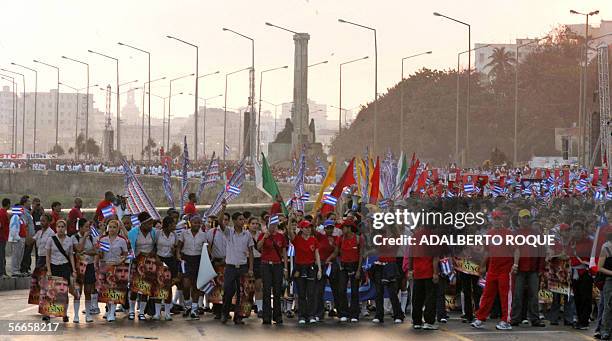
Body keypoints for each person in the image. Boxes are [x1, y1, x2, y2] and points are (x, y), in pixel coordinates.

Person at [471, 210, 516, 330]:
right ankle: (480, 318)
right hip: (492, 269)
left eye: (498, 219)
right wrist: (483, 265)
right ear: (492, 220)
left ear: (502, 220)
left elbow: (516, 249)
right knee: (487, 294)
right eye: (495, 219)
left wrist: (515, 264)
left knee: (505, 295)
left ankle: (506, 321)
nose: (496, 221)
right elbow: (487, 251)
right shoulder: (489, 234)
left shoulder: (509, 233)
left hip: (505, 269)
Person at [511, 211, 546, 327]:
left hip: (533, 269)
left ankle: (535, 319)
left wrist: (541, 268)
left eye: (527, 218)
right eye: (523, 218)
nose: (525, 220)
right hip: (519, 269)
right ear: (519, 220)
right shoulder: (514, 234)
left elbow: (542, 252)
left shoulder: (537, 234)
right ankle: (515, 318)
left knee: (534, 295)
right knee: (517, 295)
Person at [221, 211, 254, 325]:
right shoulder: (229, 232)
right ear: (234, 221)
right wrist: (223, 208)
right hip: (230, 267)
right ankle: (225, 314)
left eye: (243, 219)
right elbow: (221, 223)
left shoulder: (247, 234)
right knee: (228, 291)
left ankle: (238, 316)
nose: (242, 221)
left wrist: (250, 268)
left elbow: (250, 252)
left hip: (242, 267)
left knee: (242, 293)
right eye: (240, 219)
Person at [287, 218, 322, 325]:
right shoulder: (297, 239)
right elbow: (289, 232)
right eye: (306, 228)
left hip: (310, 267)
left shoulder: (313, 240)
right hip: (299, 268)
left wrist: (319, 269)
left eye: (309, 227)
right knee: (301, 293)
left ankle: (311, 315)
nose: (308, 229)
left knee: (311, 293)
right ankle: (302, 315)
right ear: (301, 229)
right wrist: (290, 220)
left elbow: (317, 254)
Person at [406, 222, 439, 330]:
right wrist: (435, 273)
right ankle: (429, 322)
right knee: (430, 298)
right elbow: (435, 258)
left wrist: (410, 270)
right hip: (428, 272)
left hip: (417, 272)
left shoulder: (415, 236)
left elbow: (410, 255)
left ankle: (417, 321)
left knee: (417, 298)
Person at [44, 220, 78, 322]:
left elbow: (71, 255)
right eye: (58, 226)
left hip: (65, 266)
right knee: (52, 291)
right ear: (56, 228)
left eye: (62, 226)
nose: (60, 228)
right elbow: (48, 256)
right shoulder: (51, 239)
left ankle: (64, 313)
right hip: (54, 266)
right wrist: (49, 270)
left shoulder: (69, 240)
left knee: (64, 291)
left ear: (65, 228)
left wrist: (73, 269)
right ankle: (48, 313)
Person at [96, 219, 129, 322]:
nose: (112, 229)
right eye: (110, 227)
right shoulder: (103, 239)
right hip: (105, 266)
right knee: (106, 290)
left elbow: (126, 254)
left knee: (115, 290)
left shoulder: (122, 240)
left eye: (114, 227)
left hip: (117, 267)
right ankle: (109, 310)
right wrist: (98, 252)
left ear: (118, 229)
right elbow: (100, 254)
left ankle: (112, 312)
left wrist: (120, 261)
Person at [127, 211, 157, 321]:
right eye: (148, 224)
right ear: (142, 224)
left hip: (149, 263)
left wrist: (151, 254)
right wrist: (137, 256)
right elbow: (130, 248)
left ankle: (141, 312)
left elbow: (155, 246)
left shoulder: (153, 232)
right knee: (135, 288)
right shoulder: (133, 233)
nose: (151, 226)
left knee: (145, 288)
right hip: (137, 262)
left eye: (151, 223)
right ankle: (131, 310)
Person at [257, 215, 288, 325]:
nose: (272, 227)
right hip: (266, 265)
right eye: (271, 224)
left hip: (277, 265)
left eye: (274, 225)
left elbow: (284, 252)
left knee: (277, 291)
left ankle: (277, 316)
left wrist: (285, 267)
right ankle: (266, 316)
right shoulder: (263, 235)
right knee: (266, 290)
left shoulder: (280, 236)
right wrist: (265, 237)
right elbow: (258, 247)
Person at [177, 215, 207, 320]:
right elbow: (179, 246)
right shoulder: (184, 233)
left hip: (198, 260)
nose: (197, 225)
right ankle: (187, 305)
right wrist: (178, 255)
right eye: (195, 222)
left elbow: (206, 249)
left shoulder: (203, 235)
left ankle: (194, 309)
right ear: (190, 223)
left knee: (196, 285)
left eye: (199, 223)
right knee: (185, 284)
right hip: (186, 260)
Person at [334, 221, 362, 323]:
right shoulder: (340, 238)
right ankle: (343, 313)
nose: (342, 229)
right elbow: (337, 252)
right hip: (343, 266)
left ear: (349, 228)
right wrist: (330, 259)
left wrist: (359, 270)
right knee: (341, 290)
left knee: (355, 291)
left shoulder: (358, 239)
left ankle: (354, 314)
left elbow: (361, 255)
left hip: (354, 266)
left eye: (344, 227)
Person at [72, 219, 97, 323]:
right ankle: (76, 315)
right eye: (86, 227)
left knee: (88, 291)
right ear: (80, 227)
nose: (88, 229)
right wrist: (84, 238)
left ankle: (88, 314)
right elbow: (78, 249)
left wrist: (85, 252)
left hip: (89, 265)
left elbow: (95, 251)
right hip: (79, 267)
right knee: (78, 291)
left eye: (89, 227)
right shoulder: (74, 237)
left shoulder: (92, 237)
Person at [314, 219, 340, 321]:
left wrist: (329, 259)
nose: (329, 229)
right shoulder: (320, 237)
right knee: (319, 290)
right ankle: (319, 313)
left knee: (336, 290)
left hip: (332, 265)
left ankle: (340, 311)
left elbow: (336, 251)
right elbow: (313, 230)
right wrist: (317, 217)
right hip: (322, 265)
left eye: (331, 228)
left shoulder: (336, 238)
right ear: (324, 229)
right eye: (327, 228)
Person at [155, 216, 179, 321]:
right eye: (173, 224)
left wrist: (175, 252)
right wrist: (157, 259)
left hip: (170, 260)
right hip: (159, 260)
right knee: (158, 286)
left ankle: (168, 313)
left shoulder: (174, 235)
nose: (175, 226)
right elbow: (153, 247)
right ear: (168, 225)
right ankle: (157, 312)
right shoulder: (157, 234)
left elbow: (176, 248)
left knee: (168, 287)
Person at [597, 231, 612, 340]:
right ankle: (605, 331)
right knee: (608, 306)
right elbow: (599, 267)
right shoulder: (606, 248)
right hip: (609, 280)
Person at [247, 216, 263, 317]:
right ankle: (246, 308)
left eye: (256, 224)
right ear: (248, 225)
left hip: (259, 260)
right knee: (247, 287)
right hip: (247, 260)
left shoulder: (261, 235)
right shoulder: (245, 235)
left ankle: (260, 308)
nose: (255, 225)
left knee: (258, 285)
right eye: (253, 223)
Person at [8, 204, 27, 277]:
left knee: (20, 255)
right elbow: (13, 228)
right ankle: (14, 270)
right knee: (16, 255)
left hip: (22, 238)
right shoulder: (15, 217)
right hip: (17, 240)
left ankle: (17, 269)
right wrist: (17, 238)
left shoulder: (20, 218)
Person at [0, 198, 9, 279]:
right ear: (8, 204)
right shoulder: (2, 213)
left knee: (2, 255)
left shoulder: (4, 212)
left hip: (3, 237)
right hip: (2, 237)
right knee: (2, 255)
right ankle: (2, 273)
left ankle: (3, 272)